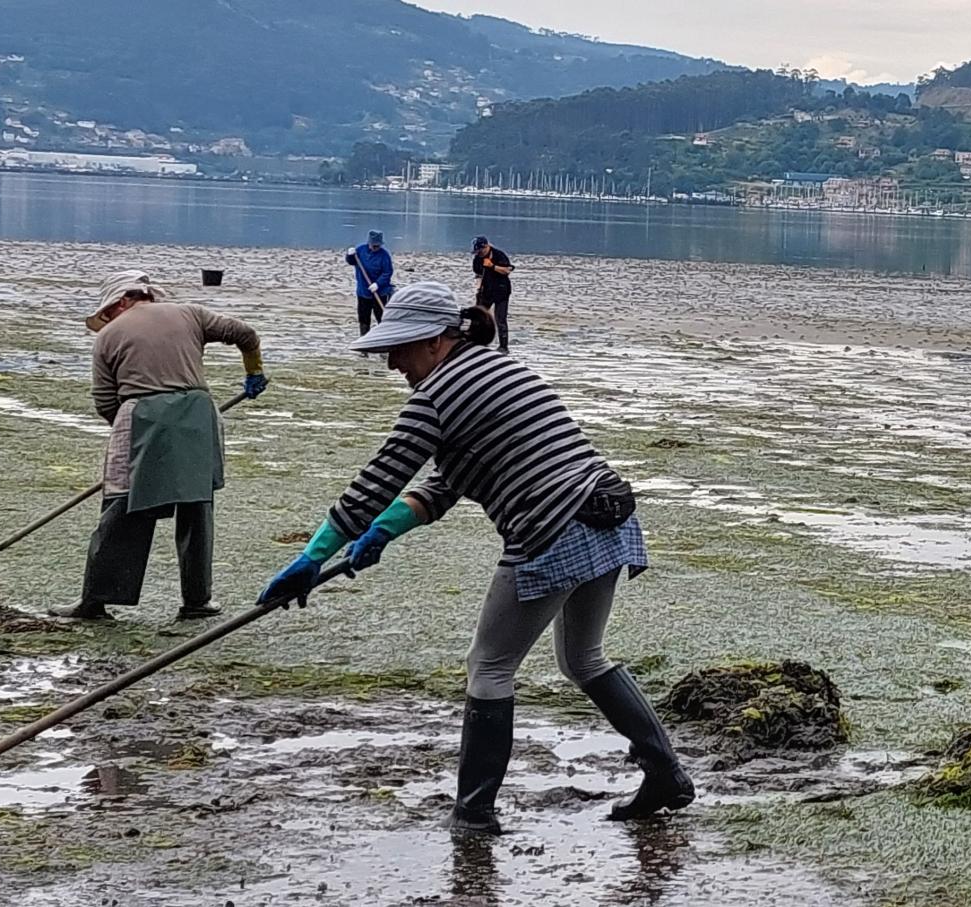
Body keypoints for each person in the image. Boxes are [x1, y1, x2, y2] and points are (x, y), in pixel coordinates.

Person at [258, 281, 690, 835]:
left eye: (400, 349)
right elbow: (444, 483)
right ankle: (666, 774)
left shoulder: (436, 396)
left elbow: (374, 482)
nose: (392, 363)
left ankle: (474, 812)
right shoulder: (498, 368)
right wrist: (383, 532)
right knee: (583, 659)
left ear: (439, 341)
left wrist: (312, 557)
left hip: (551, 527)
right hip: (607, 513)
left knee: (488, 669)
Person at [51, 270, 268, 620]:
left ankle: (95, 600)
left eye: (108, 312)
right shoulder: (191, 313)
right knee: (196, 508)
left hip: (141, 413)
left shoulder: (107, 337)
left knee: (122, 505)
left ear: (121, 302)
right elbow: (245, 334)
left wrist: (130, 433)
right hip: (198, 415)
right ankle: (197, 601)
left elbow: (105, 401)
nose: (107, 319)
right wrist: (254, 371)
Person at [344, 230, 395, 338]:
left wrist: (378, 284)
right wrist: (349, 255)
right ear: (369, 243)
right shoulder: (360, 250)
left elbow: (387, 272)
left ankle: (383, 341)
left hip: (380, 292)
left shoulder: (384, 255)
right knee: (364, 318)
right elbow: (352, 261)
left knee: (381, 317)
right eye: (374, 246)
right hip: (363, 291)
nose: (376, 248)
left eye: (378, 246)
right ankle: (364, 341)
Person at [471, 236, 513, 353]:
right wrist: (478, 289)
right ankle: (475, 342)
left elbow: (507, 270)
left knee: (500, 319)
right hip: (486, 291)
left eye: (481, 250)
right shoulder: (477, 259)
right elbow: (478, 274)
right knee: (478, 316)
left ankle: (503, 347)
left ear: (486, 246)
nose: (479, 253)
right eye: (477, 251)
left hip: (501, 291)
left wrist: (492, 266)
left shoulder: (499, 255)